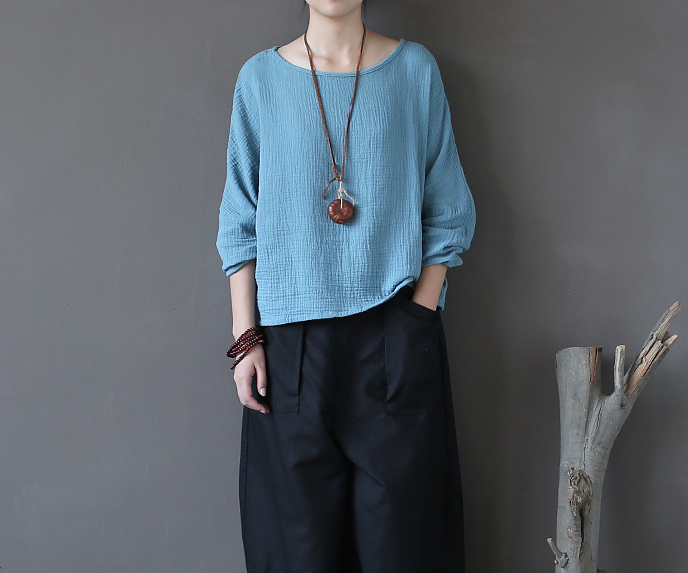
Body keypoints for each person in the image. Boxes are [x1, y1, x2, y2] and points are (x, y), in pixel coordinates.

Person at [216, 1, 476, 571]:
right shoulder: (260, 79)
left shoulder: (414, 71)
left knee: (405, 550)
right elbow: (239, 220)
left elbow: (448, 208)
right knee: (295, 553)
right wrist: (246, 337)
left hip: (394, 336)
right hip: (287, 351)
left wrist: (417, 319)